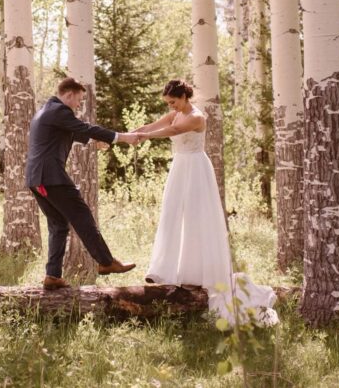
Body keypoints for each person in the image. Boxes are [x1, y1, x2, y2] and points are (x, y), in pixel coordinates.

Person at [132, 79, 278, 326]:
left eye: (173, 102)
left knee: (196, 218)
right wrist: (128, 135)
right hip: (179, 167)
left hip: (196, 168)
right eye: (168, 103)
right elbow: (152, 125)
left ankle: (200, 271)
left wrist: (145, 137)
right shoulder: (175, 113)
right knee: (173, 216)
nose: (171, 107)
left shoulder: (197, 117)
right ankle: (172, 269)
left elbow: (173, 131)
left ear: (184, 97)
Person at [26, 77, 139, 291]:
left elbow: (69, 132)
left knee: (59, 224)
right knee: (82, 216)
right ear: (69, 95)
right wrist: (122, 137)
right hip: (51, 177)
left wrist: (92, 142)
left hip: (36, 178)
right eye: (78, 100)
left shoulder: (46, 110)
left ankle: (52, 275)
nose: (79, 105)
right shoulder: (60, 111)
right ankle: (106, 262)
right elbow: (84, 127)